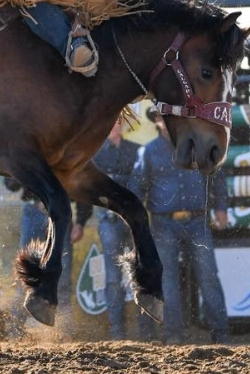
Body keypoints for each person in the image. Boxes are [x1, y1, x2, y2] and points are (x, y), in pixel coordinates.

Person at [130, 107, 229, 344]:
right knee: (169, 281)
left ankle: (220, 334)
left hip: (196, 219)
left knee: (208, 276)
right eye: (164, 117)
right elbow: (137, 189)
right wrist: (135, 223)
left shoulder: (198, 145)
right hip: (164, 222)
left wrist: (221, 207)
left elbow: (217, 176)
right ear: (157, 121)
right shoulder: (149, 152)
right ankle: (173, 335)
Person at [3, 175, 93, 337]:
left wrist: (80, 221)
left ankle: (62, 333)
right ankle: (15, 330)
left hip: (59, 213)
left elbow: (81, 182)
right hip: (39, 211)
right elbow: (10, 183)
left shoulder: (66, 151)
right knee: (25, 275)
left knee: (62, 278)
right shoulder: (28, 152)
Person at [92, 117, 145, 340]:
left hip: (130, 220)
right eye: (110, 122)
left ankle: (146, 331)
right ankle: (117, 333)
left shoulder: (137, 150)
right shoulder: (94, 153)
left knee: (140, 274)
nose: (113, 125)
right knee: (113, 277)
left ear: (121, 125)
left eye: (116, 122)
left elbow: (140, 184)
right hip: (109, 219)